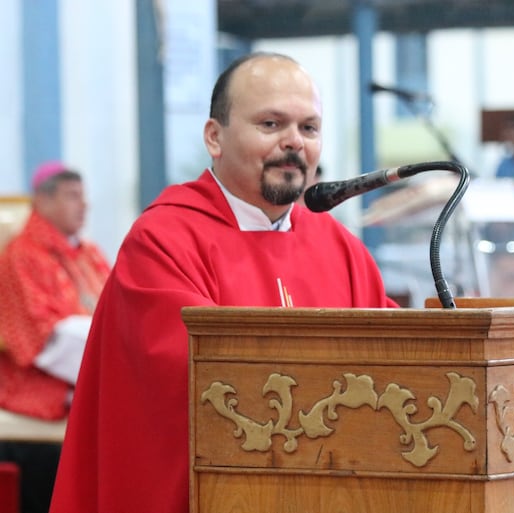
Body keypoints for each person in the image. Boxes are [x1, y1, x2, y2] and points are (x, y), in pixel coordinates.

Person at [49, 52, 398, 513]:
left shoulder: (339, 246)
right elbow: (201, 381)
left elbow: (401, 355)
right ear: (215, 137)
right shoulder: (165, 240)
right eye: (271, 124)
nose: (294, 142)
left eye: (308, 128)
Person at [0, 161, 111, 513]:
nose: (84, 205)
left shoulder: (87, 252)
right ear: (43, 201)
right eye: (72, 196)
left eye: (84, 196)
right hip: (38, 379)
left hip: (77, 373)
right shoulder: (22, 255)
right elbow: (40, 334)